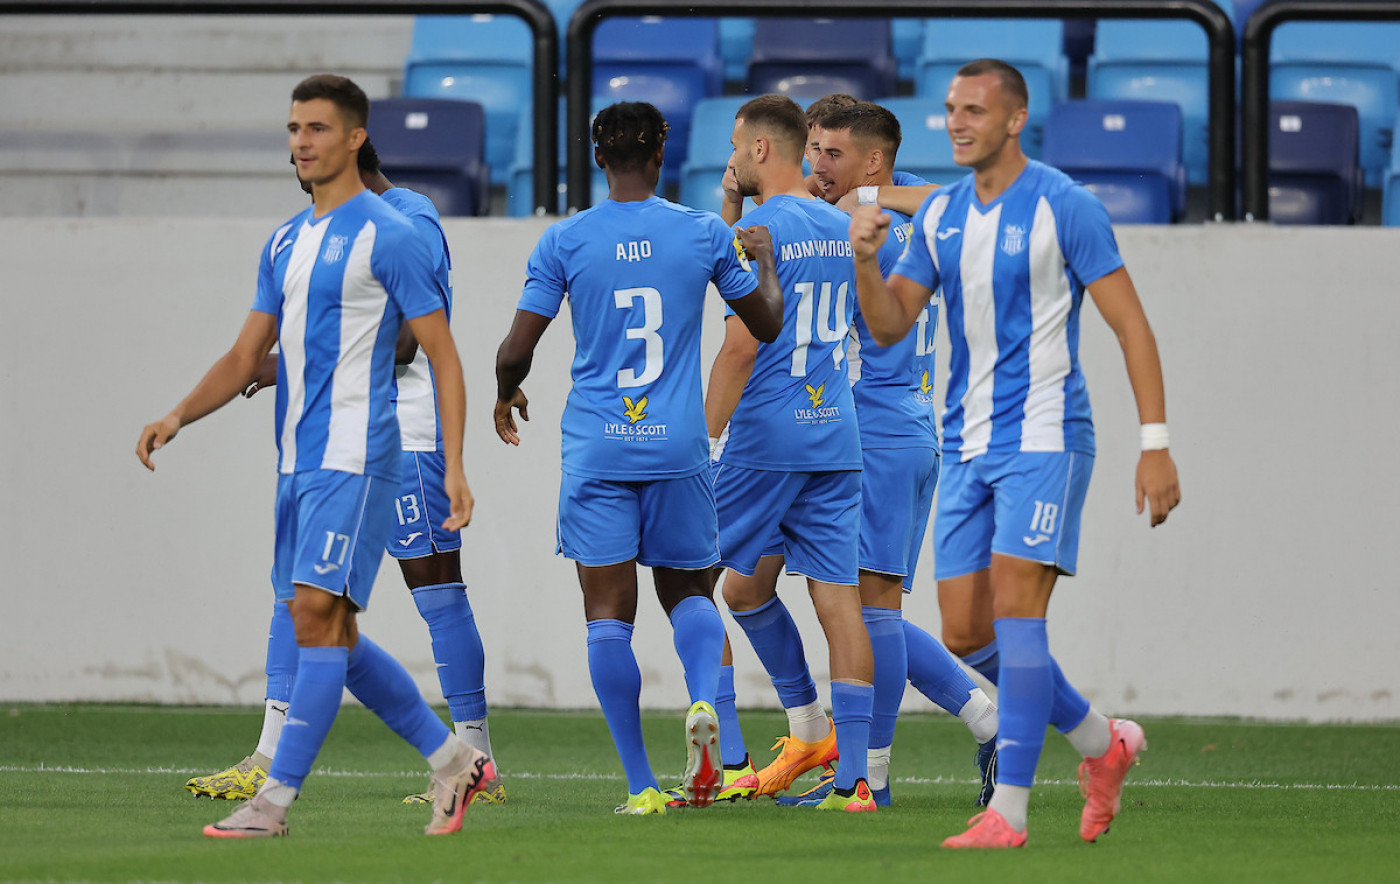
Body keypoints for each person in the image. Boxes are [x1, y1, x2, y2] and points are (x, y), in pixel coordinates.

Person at [137, 73, 491, 838]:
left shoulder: (394, 232)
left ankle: (273, 802)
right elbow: (245, 355)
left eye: (318, 128)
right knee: (323, 625)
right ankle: (454, 759)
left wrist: (457, 467)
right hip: (296, 459)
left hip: (359, 456)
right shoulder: (284, 241)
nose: (302, 142)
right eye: (295, 129)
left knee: (319, 616)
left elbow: (442, 354)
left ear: (356, 138)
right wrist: (178, 415)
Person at [848, 59, 1182, 848]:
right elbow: (890, 325)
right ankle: (1102, 742)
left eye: (974, 110)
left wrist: (1155, 444)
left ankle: (1012, 812)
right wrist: (864, 258)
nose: (957, 122)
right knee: (966, 632)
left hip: (1046, 437)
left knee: (1018, 613)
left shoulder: (1066, 205)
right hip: (967, 443)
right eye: (951, 109)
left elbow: (1131, 325)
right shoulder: (942, 215)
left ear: (1015, 119)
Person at [492, 101, 783, 815]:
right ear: (660, 155)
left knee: (606, 615)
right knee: (689, 594)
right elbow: (766, 324)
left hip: (599, 450)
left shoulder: (565, 240)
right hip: (677, 447)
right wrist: (767, 265)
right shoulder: (703, 233)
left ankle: (640, 786)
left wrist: (506, 392)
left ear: (598, 158)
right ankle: (702, 702)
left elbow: (515, 350)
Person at [763, 101, 997, 809]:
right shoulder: (909, 204)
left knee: (870, 614)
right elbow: (959, 199)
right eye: (811, 149)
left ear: (872, 161)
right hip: (900, 431)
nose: (815, 165)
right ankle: (982, 721)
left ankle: (869, 777)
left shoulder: (862, 224)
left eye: (831, 153)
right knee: (863, 606)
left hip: (875, 437)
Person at [705, 94, 875, 812]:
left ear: (761, 149)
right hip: (833, 433)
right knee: (826, 598)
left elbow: (740, 346)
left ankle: (730, 761)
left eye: (736, 146)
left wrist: (705, 440)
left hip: (765, 438)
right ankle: (850, 775)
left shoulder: (761, 233)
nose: (732, 159)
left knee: (690, 584)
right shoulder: (841, 225)